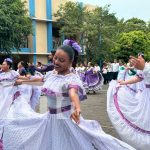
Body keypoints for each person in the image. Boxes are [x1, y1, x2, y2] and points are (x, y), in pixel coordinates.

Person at [1, 41, 134, 150]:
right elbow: (41, 80)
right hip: (50, 118)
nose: (56, 62)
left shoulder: (71, 78)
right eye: (55, 58)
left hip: (64, 118)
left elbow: (73, 92)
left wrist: (77, 107)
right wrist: (23, 80)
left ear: (70, 62)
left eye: (61, 60)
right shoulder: (53, 74)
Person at [107, 54, 150, 150]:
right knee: (145, 119)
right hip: (145, 97)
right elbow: (138, 78)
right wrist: (123, 82)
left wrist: (144, 67)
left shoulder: (146, 66)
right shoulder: (145, 66)